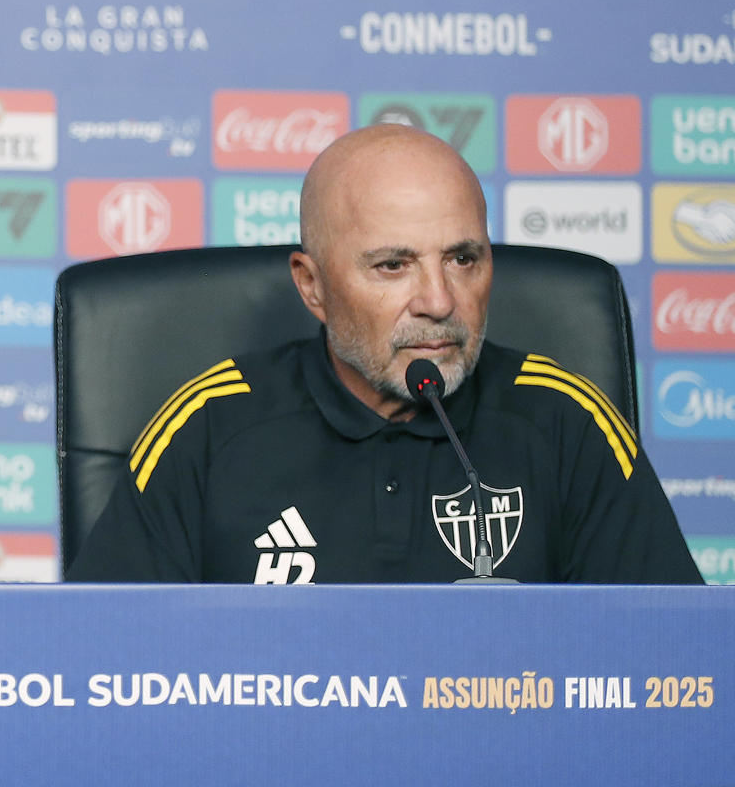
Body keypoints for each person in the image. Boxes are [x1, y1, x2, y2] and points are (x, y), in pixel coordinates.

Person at [68, 123, 701, 584]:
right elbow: (101, 668)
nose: (439, 301)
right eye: (393, 265)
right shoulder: (207, 427)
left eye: (463, 259)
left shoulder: (569, 423)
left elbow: (672, 669)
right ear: (313, 287)